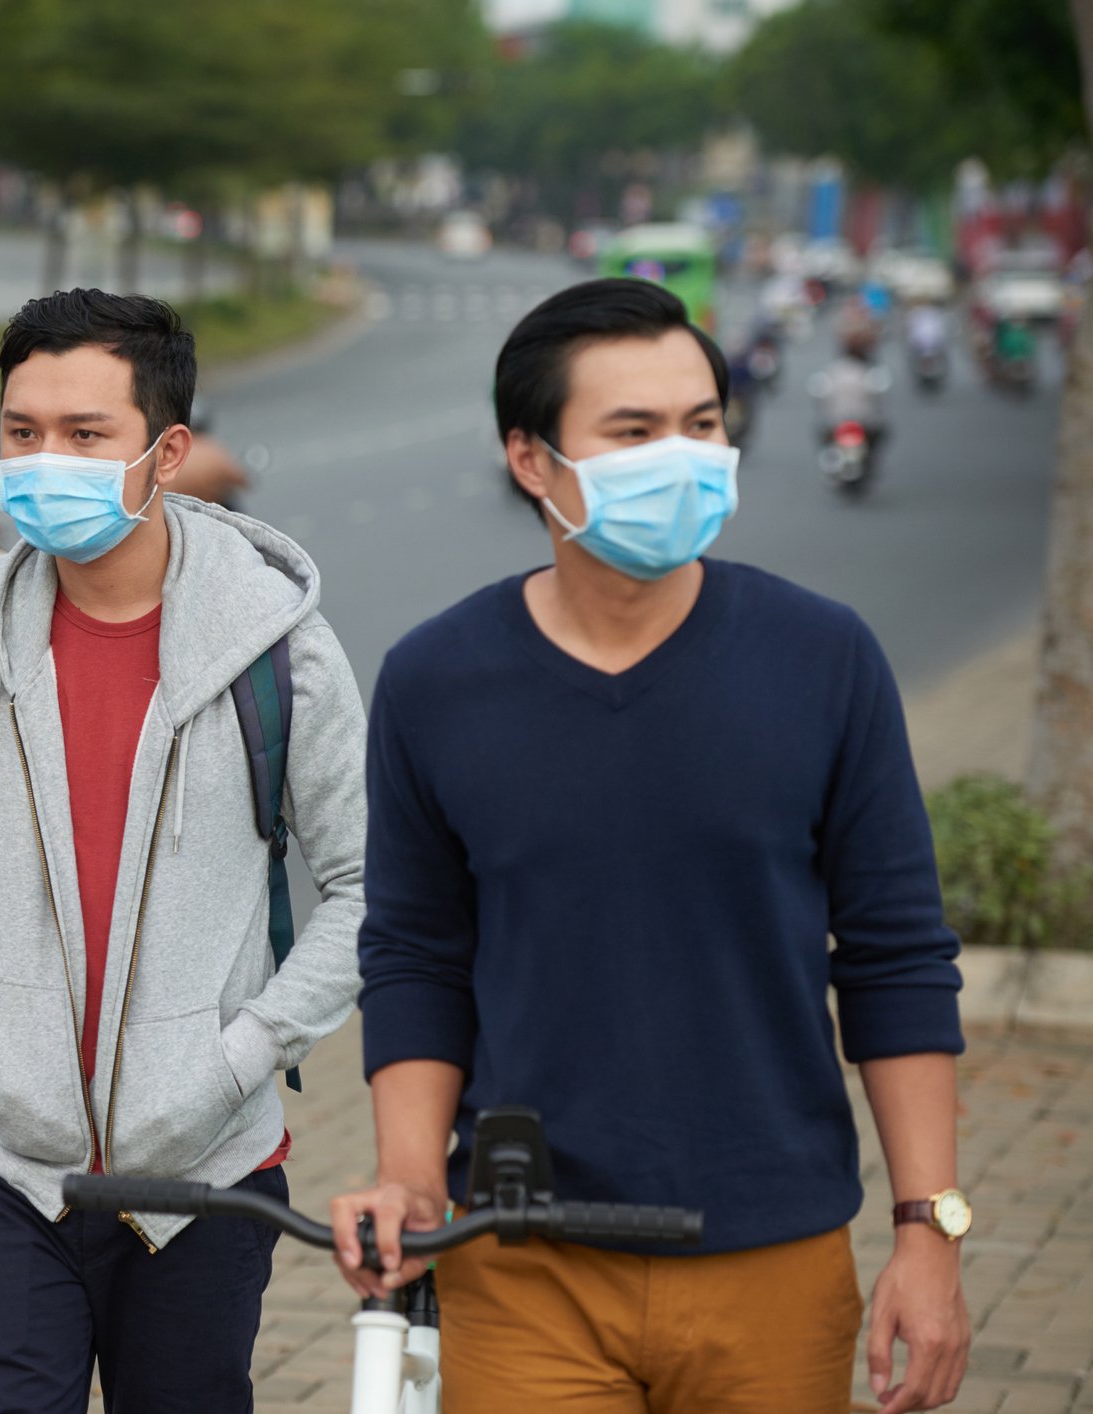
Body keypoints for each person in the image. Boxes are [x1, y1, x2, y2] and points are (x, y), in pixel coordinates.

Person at [330, 278, 970, 1414]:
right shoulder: (433, 680)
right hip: (520, 1259)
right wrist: (410, 1178)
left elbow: (896, 957)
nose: (679, 456)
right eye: (632, 432)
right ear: (530, 460)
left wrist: (928, 1229)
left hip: (773, 1252)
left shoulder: (823, 659)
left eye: (701, 423)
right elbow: (417, 954)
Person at [0, 289, 369, 1413]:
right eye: (24, 432)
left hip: (207, 1172)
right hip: (2, 1160)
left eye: (86, 435)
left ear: (165, 452)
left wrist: (238, 1058)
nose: (47, 461)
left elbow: (365, 889)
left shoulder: (280, 651)